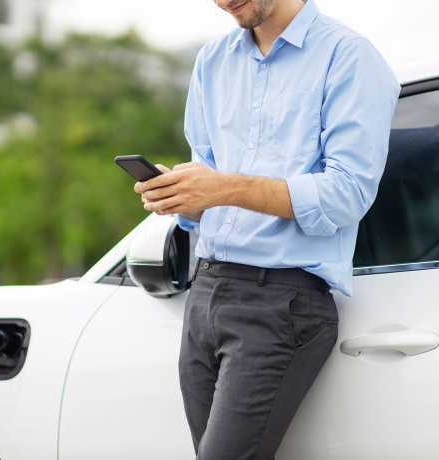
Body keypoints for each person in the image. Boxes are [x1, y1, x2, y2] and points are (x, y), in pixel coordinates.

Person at [134, 0, 400, 458]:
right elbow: (210, 179)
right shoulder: (212, 61)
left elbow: (346, 194)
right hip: (205, 294)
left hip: (281, 303)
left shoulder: (348, 57)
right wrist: (181, 195)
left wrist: (221, 188)